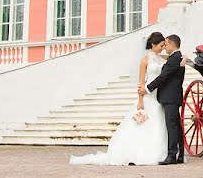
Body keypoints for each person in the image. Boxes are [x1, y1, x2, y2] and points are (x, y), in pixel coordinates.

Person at [69, 32, 169, 166]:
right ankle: (137, 153)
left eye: (163, 46)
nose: (162, 48)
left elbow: (170, 58)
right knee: (142, 125)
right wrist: (140, 101)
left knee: (159, 124)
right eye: (161, 46)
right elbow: (140, 83)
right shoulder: (145, 60)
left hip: (159, 95)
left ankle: (159, 151)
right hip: (148, 95)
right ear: (153, 44)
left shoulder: (160, 57)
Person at [140, 34, 186, 165]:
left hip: (170, 97)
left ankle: (172, 155)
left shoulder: (175, 59)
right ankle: (180, 154)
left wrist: (147, 88)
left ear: (172, 45)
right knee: (176, 126)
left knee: (172, 126)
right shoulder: (177, 58)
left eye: (166, 44)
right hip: (171, 97)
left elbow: (163, 77)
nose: (165, 47)